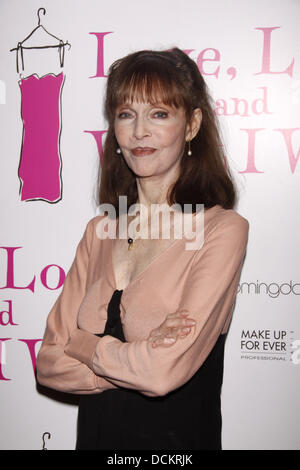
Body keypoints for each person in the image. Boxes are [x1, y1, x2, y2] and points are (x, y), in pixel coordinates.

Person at [36, 48, 249, 450]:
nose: (139, 132)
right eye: (125, 113)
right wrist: (137, 355)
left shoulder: (223, 230)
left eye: (159, 114)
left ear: (192, 125)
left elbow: (161, 374)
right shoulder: (99, 231)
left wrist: (83, 346)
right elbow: (48, 363)